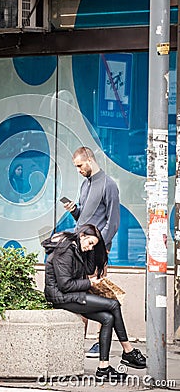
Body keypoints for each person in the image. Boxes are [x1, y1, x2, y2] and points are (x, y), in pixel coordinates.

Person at [42, 224, 146, 382]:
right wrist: (91, 284)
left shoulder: (77, 248)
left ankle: (103, 369)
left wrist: (93, 249)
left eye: (93, 245)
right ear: (82, 235)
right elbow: (65, 285)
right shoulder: (65, 251)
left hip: (73, 295)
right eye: (90, 243)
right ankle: (128, 350)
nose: (90, 247)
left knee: (108, 318)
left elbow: (90, 269)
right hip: (61, 297)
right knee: (113, 304)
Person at [63, 146, 120, 357]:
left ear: (89, 160)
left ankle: (99, 342)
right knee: (81, 295)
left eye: (79, 165)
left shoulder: (109, 185)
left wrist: (100, 247)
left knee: (97, 295)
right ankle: (78, 342)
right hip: (81, 247)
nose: (78, 170)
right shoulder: (85, 185)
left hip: (97, 251)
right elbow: (85, 221)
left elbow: (113, 222)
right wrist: (75, 211)